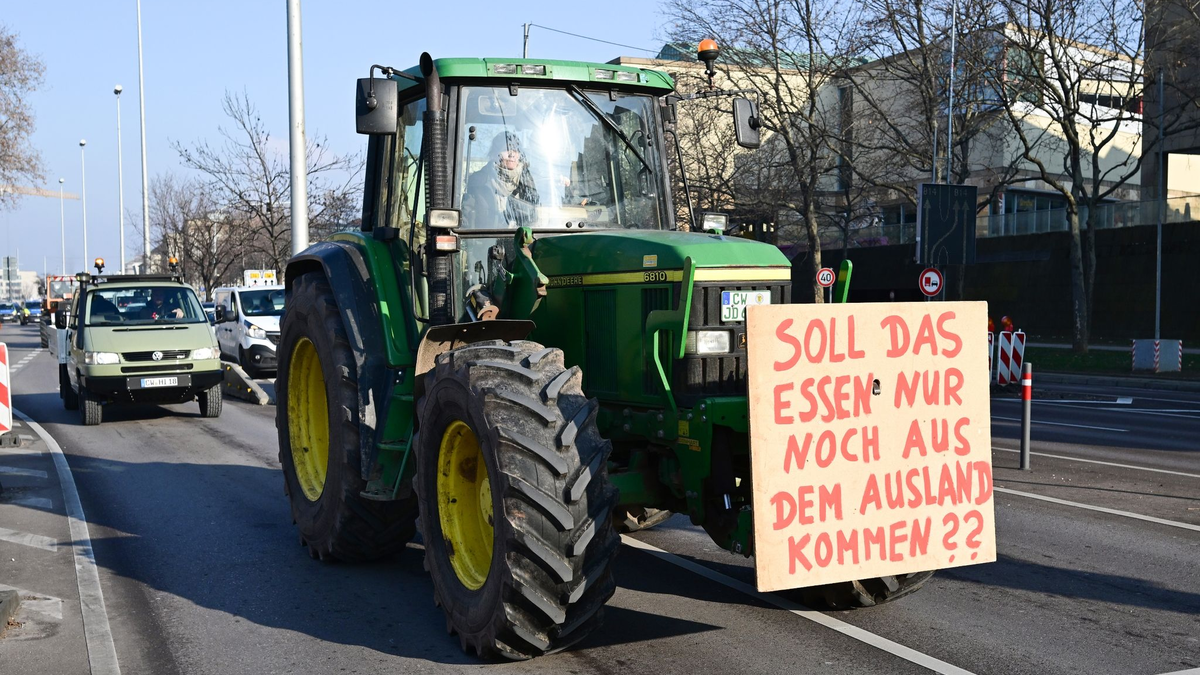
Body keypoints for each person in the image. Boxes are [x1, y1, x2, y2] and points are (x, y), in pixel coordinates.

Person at [462, 131, 540, 229]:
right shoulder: (478, 183)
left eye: (516, 150)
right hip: (488, 241)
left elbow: (536, 218)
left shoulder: (529, 182)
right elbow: (466, 220)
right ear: (495, 153)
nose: (512, 154)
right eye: (506, 149)